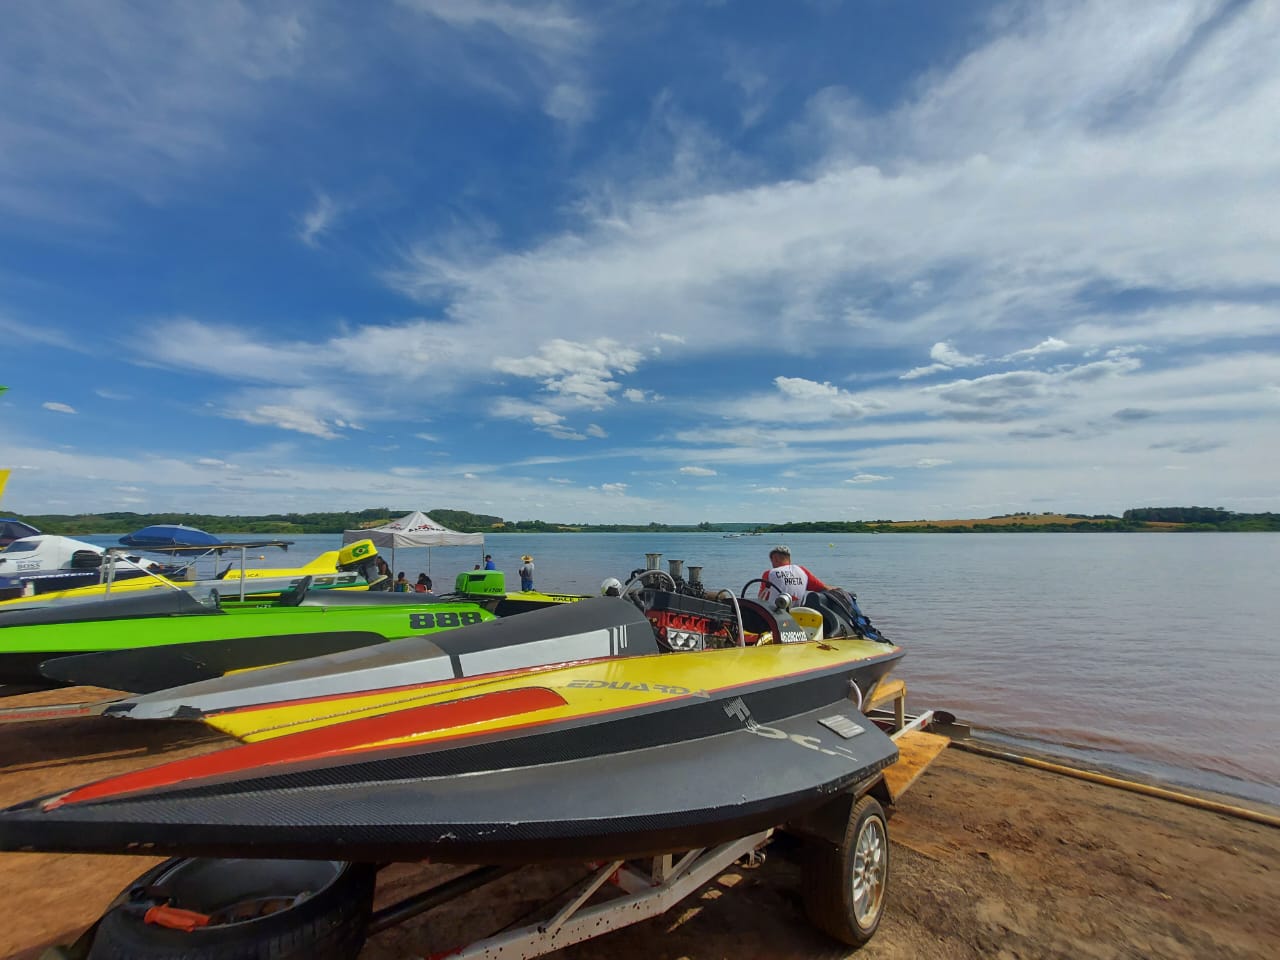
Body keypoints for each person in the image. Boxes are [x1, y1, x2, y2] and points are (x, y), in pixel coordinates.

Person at [758, 544, 828, 606]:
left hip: (775, 614)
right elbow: (824, 588)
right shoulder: (802, 571)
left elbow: (761, 599)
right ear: (789, 559)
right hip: (797, 613)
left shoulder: (770, 573)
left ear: (775, 559)